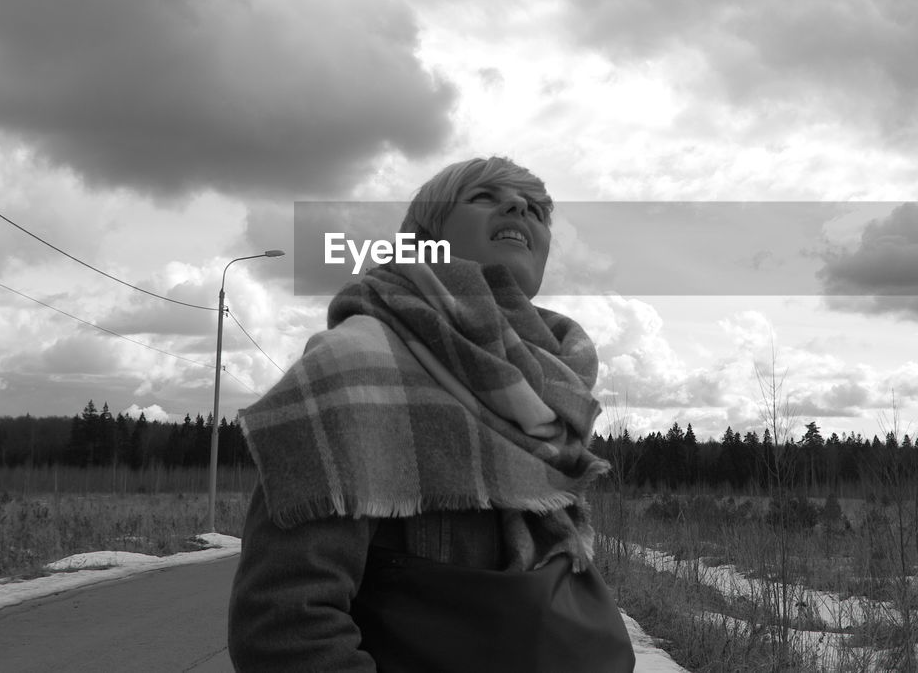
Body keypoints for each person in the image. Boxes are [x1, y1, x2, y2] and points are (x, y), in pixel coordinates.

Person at [228, 157, 634, 672]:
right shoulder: (354, 367)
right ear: (424, 238)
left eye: (536, 209)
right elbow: (284, 627)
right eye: (484, 197)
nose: (519, 208)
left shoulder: (550, 387)